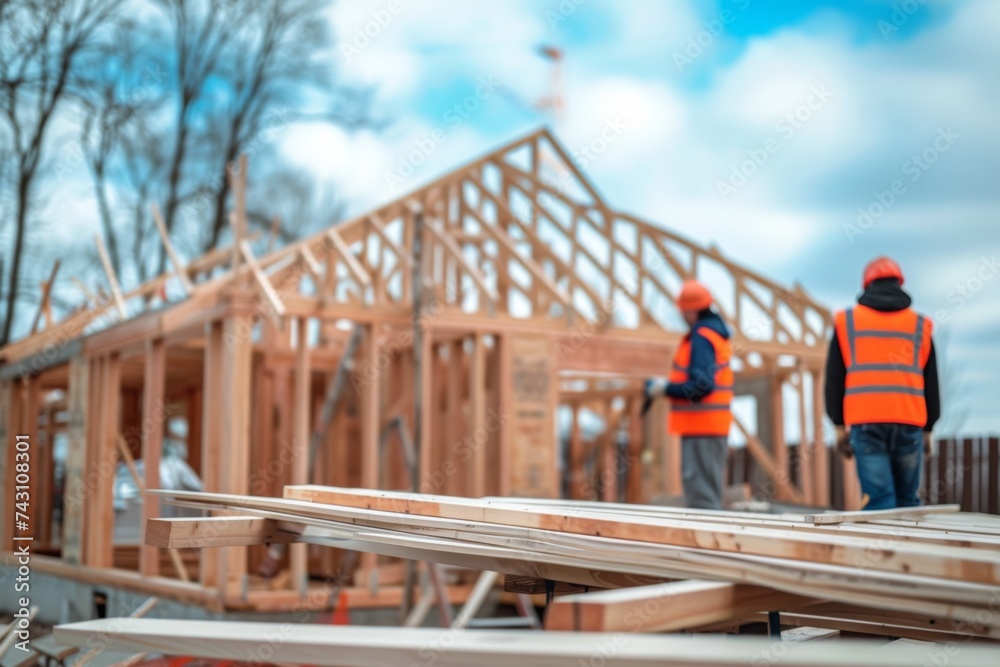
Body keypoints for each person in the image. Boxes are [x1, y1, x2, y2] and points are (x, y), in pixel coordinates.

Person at [825, 256, 941, 510]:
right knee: (907, 501)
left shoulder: (848, 322)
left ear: (866, 285)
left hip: (866, 423)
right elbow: (931, 381)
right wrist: (929, 427)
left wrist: (838, 426)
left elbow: (834, 378)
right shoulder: (920, 325)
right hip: (908, 421)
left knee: (880, 500)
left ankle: (880, 550)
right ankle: (910, 549)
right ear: (899, 283)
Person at [645, 280, 733, 510]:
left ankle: (706, 546)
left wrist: (665, 388)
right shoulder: (715, 335)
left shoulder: (702, 337)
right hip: (708, 428)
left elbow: (702, 386)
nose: (682, 316)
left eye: (683, 311)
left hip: (701, 428)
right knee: (707, 497)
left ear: (692, 310)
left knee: (702, 500)